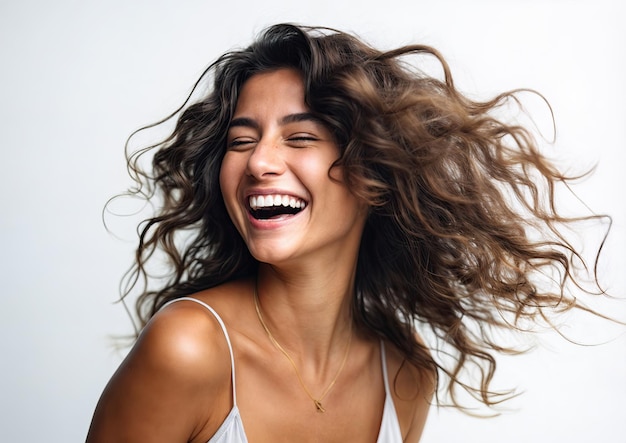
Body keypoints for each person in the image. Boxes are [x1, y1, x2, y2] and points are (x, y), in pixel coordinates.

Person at [86, 23, 610, 442]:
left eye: (301, 136)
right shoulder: (189, 348)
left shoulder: (404, 374)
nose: (260, 162)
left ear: (372, 172)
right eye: (241, 140)